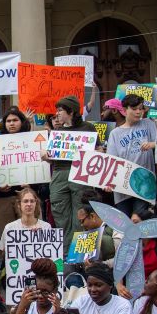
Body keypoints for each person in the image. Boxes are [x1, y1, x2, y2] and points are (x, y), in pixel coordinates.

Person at [45, 95, 98, 239]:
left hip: (80, 173)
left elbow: (99, 152)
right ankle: (65, 252)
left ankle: (79, 254)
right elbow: (52, 159)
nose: (57, 113)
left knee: (81, 213)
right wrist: (46, 157)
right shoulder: (57, 132)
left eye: (60, 110)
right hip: (59, 174)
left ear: (71, 112)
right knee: (60, 212)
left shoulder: (88, 128)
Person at [105, 93, 157, 218]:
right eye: (134, 109)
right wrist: (109, 181)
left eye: (140, 108)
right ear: (124, 110)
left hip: (145, 182)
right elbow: (111, 159)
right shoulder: (115, 133)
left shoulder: (148, 123)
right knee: (125, 221)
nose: (138, 112)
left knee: (138, 218)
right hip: (123, 185)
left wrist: (152, 144)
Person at [0, 107, 34, 238]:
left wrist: (30, 186)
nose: (11, 123)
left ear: (22, 122)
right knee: (7, 235)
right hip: (2, 197)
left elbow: (37, 167)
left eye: (15, 120)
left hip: (26, 197)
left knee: (30, 233)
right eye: (8, 121)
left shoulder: (32, 141)